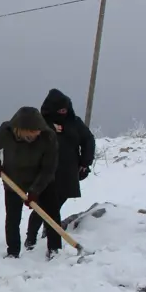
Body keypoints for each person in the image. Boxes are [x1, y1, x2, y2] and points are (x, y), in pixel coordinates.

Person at [25, 89, 96, 252]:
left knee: (56, 204)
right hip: (45, 172)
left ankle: (49, 230)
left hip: (68, 171)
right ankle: (31, 237)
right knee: (41, 206)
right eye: (60, 110)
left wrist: (85, 162)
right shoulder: (41, 124)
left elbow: (88, 139)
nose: (63, 112)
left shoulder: (74, 122)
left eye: (65, 109)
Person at [0, 107, 59, 258]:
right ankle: (13, 251)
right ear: (20, 129)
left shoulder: (48, 137)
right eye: (32, 131)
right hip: (14, 179)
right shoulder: (6, 132)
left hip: (41, 179)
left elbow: (49, 168)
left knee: (50, 213)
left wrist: (35, 190)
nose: (36, 134)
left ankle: (54, 249)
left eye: (37, 131)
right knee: (13, 218)